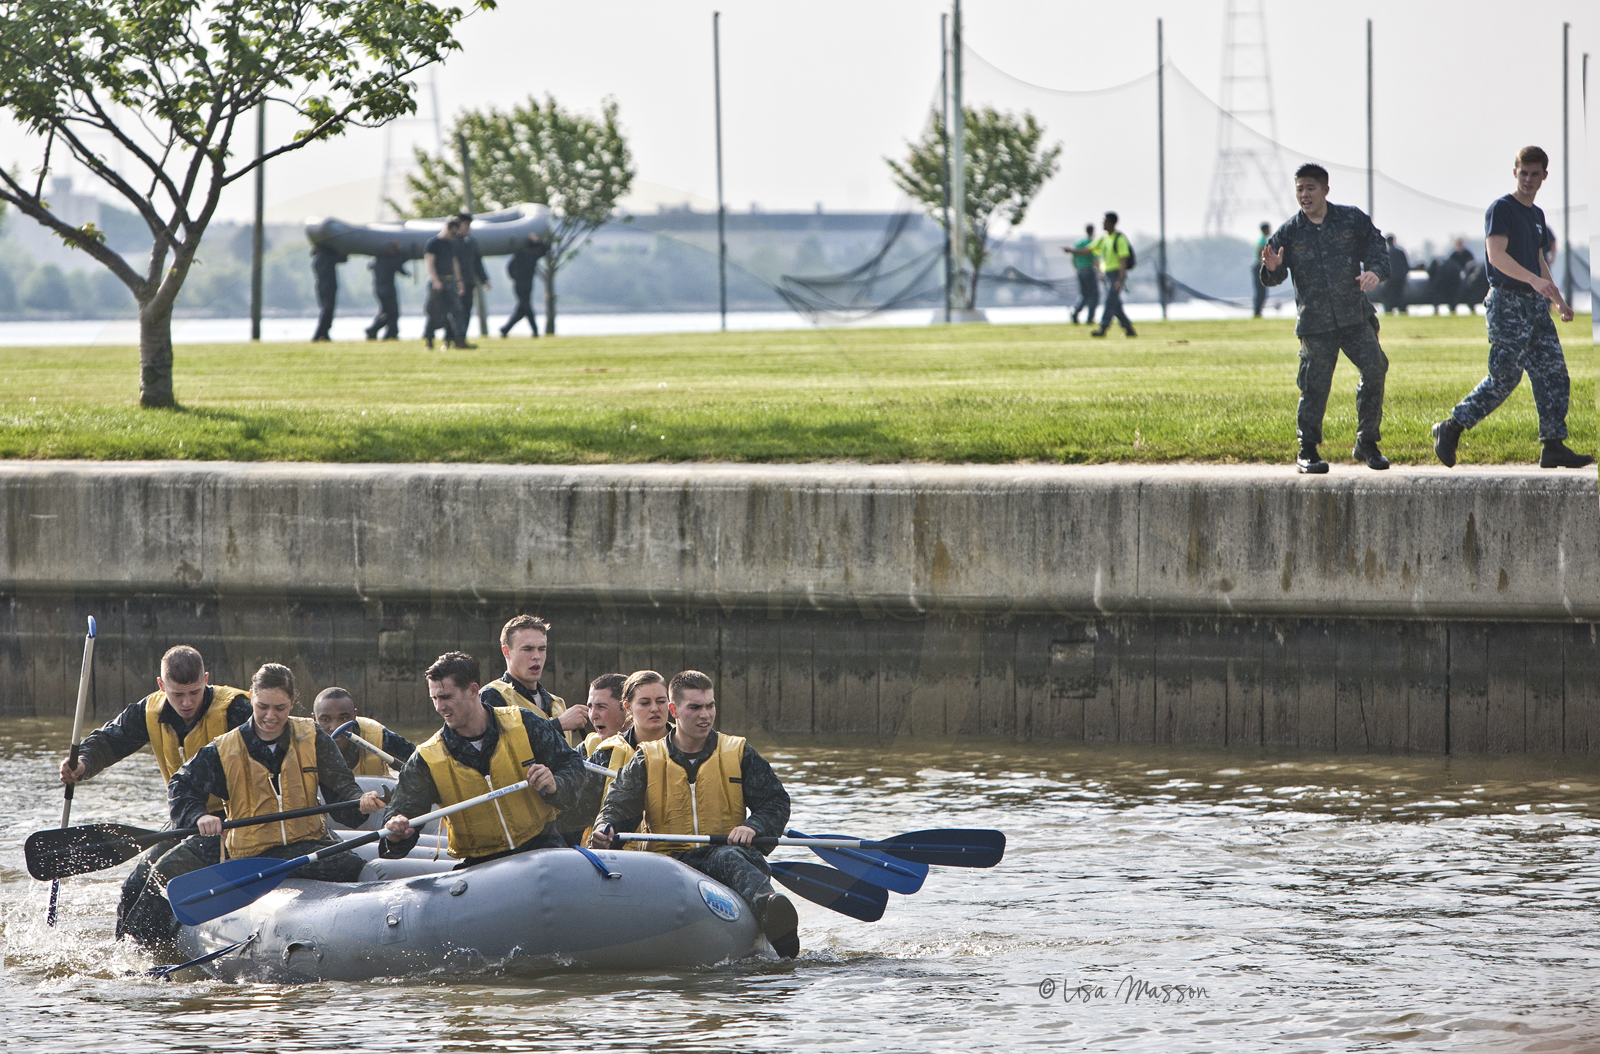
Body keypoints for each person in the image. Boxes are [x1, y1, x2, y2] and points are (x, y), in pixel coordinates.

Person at [122, 663, 385, 949]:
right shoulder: (224, 748)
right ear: (251, 697)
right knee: (164, 871)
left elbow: (341, 792)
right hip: (243, 851)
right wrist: (199, 817)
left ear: (293, 702)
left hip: (306, 843)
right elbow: (181, 786)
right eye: (262, 707)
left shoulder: (312, 736)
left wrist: (360, 802)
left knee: (358, 868)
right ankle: (140, 953)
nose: (270, 717)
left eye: (280, 708)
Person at [591, 670, 799, 959]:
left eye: (710, 706)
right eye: (695, 707)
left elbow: (776, 802)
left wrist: (754, 825)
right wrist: (605, 829)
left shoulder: (738, 752)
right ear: (674, 711)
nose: (705, 715)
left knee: (727, 856)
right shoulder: (646, 759)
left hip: (726, 854)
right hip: (670, 864)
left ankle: (773, 913)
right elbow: (616, 808)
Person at [57, 645, 251, 939]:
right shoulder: (150, 710)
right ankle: (123, 957)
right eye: (177, 694)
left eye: (195, 692)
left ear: (206, 680)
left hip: (235, 822)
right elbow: (109, 740)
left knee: (161, 880)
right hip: (187, 818)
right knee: (133, 885)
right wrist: (81, 764)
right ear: (161, 686)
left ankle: (150, 963)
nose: (186, 702)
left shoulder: (237, 709)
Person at [1432, 146, 1592, 471]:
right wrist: (1534, 281)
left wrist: (1557, 299)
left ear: (1544, 176)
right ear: (1515, 171)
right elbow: (1496, 256)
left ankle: (1553, 445)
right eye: (1524, 173)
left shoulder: (1536, 215)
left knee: (1553, 373)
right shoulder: (1502, 209)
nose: (1529, 180)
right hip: (1507, 302)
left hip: (1535, 305)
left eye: (1535, 174)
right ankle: (1451, 427)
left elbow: (1538, 260)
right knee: (1505, 377)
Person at [378, 651, 586, 867]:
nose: (440, 707)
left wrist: (555, 785)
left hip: (542, 848)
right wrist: (396, 835)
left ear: (473, 690)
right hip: (481, 865)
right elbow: (397, 818)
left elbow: (574, 767)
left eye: (447, 697)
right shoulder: (426, 759)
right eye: (435, 698)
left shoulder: (524, 723)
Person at [1259, 163, 1391, 474]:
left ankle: (1367, 443)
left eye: (1310, 188)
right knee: (1314, 387)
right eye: (1300, 189)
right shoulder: (1289, 232)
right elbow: (1269, 277)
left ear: (1325, 190)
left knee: (1375, 369)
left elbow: (1377, 246)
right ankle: (1307, 450)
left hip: (1354, 317)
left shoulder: (1350, 219)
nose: (1304, 195)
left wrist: (1374, 270)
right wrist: (1275, 268)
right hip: (1316, 325)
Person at [567, 669, 673, 846]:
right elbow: (576, 815)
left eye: (661, 701)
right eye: (645, 703)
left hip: (675, 855)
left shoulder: (690, 745)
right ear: (628, 707)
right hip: (618, 857)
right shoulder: (603, 753)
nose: (655, 709)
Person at [480, 615, 590, 747]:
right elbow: (504, 748)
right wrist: (559, 724)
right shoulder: (492, 695)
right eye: (528, 649)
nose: (536, 656)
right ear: (506, 651)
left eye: (541, 649)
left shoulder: (557, 703)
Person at [312, 686, 417, 776]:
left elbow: (420, 763)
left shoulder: (377, 734)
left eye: (343, 718)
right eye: (325, 720)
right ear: (314, 720)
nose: (334, 727)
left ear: (354, 716)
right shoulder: (304, 742)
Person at [1067, 212, 1135, 338]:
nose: (1103, 223)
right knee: (1115, 304)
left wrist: (1120, 280)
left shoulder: (1119, 239)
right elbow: (1088, 250)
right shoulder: (1103, 239)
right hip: (1107, 275)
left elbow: (1123, 260)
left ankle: (1103, 328)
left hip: (1116, 275)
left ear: (1112, 223)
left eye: (1105, 221)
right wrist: (1072, 251)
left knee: (1109, 301)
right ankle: (1129, 330)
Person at [423, 218, 468, 350]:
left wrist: (459, 282)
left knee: (457, 311)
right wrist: (436, 281)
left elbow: (455, 264)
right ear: (447, 228)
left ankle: (459, 340)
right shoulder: (433, 243)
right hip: (437, 282)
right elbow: (430, 263)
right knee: (435, 313)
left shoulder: (451, 244)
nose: (454, 236)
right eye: (453, 232)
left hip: (450, 281)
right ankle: (429, 340)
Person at [501, 233, 548, 337]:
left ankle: (506, 329)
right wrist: (537, 240)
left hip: (519, 286)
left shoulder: (520, 254)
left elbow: (509, 268)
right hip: (525, 287)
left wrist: (515, 278)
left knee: (524, 309)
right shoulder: (531, 256)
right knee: (526, 308)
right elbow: (546, 249)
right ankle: (533, 331)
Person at [453, 211, 490, 342]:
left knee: (467, 310)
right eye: (465, 224)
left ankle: (462, 338)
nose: (467, 227)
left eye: (469, 225)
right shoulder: (452, 242)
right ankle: (452, 337)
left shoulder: (472, 242)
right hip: (455, 284)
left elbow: (477, 262)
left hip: (469, 282)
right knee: (456, 311)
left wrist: (485, 279)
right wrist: (458, 281)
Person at [364, 240, 409, 341]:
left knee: (386, 312)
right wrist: (401, 249)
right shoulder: (388, 262)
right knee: (392, 313)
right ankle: (379, 330)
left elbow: (398, 265)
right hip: (387, 290)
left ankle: (388, 333)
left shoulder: (377, 261)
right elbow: (401, 259)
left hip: (379, 290)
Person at [580, 672, 630, 757]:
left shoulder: (651, 750)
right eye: (590, 707)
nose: (592, 716)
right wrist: (559, 725)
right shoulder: (586, 749)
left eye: (601, 707)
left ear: (627, 708)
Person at [310, 244, 347, 341]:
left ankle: (324, 334)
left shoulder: (317, 258)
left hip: (321, 287)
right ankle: (319, 334)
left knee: (326, 309)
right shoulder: (325, 257)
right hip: (328, 286)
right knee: (328, 310)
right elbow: (342, 258)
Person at [1065, 224, 1099, 325]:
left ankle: (1075, 312)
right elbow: (1095, 258)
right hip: (1089, 270)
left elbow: (1073, 258)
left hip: (1080, 270)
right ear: (1093, 231)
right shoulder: (1092, 243)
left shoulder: (1078, 242)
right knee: (1094, 295)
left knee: (1084, 295)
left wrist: (1076, 269)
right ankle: (1090, 318)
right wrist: (1100, 271)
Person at [1446, 237, 1476, 315]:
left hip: (1468, 280)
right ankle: (1453, 307)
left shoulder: (1468, 254)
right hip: (1455, 281)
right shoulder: (1453, 256)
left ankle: (1471, 306)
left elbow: (1473, 265)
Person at [1382, 234, 1410, 315]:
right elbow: (1406, 266)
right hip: (1400, 278)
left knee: (1388, 297)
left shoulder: (1386, 253)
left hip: (1390, 278)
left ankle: (1389, 311)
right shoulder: (1400, 252)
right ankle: (1403, 311)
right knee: (1400, 296)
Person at [1253, 221, 1272, 317]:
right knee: (1261, 291)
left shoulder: (1263, 239)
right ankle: (1257, 312)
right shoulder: (1262, 240)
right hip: (1259, 267)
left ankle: (1258, 312)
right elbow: (1260, 251)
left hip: (1259, 266)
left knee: (1262, 292)